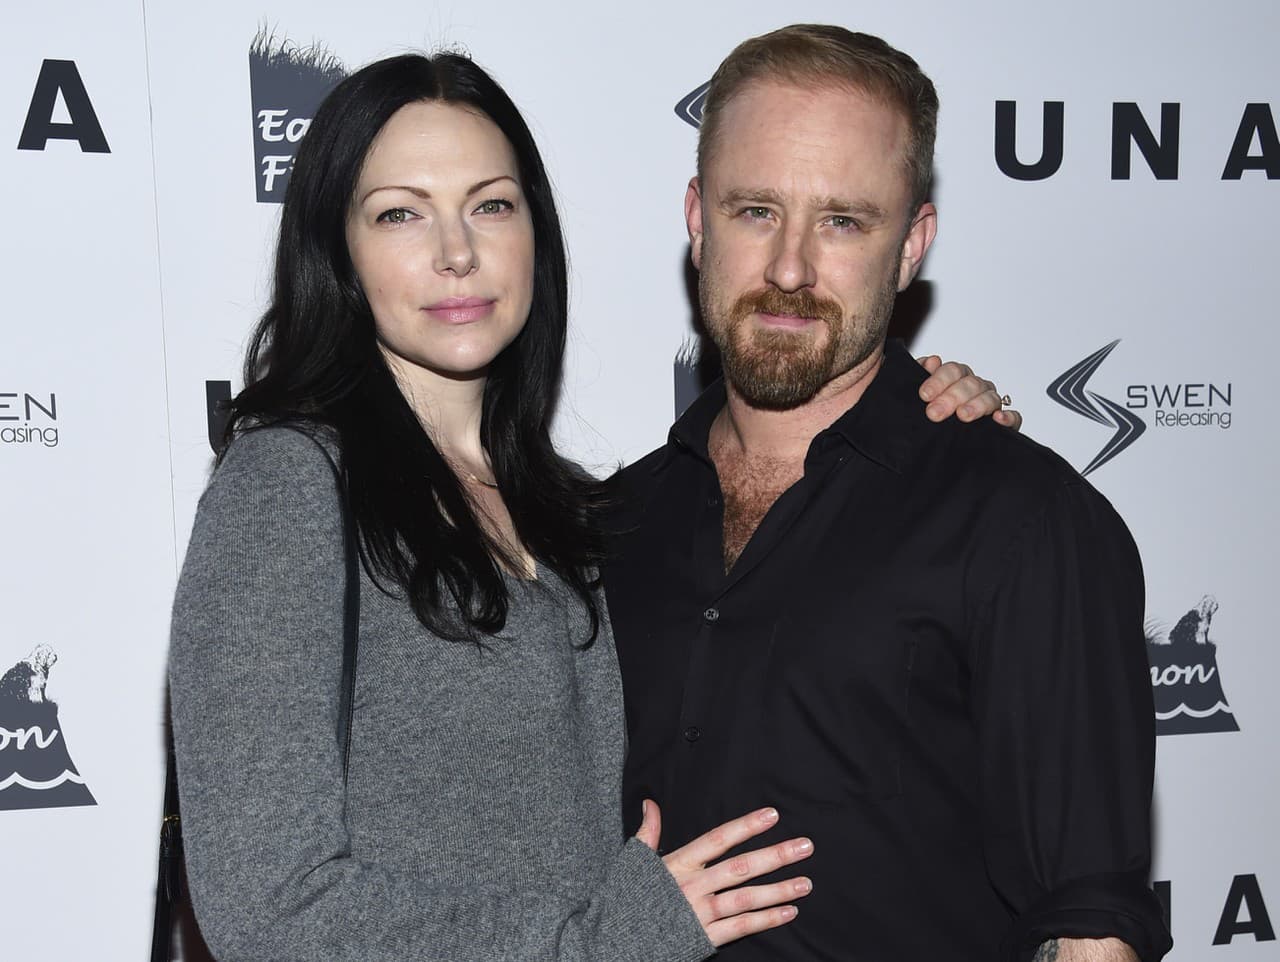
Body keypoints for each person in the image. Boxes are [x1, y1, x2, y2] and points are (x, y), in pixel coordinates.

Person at [167, 51, 1010, 962]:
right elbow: (266, 905)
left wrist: (919, 412)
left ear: (536, 232)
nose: (457, 252)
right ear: (339, 250)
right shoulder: (287, 488)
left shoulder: (572, 507)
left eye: (491, 205)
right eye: (400, 213)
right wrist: (607, 943)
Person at [605, 24, 1173, 962]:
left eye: (843, 221)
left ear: (911, 246)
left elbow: (1090, 923)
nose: (790, 268)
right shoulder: (611, 526)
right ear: (699, 221)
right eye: (756, 211)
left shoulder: (1022, 521)